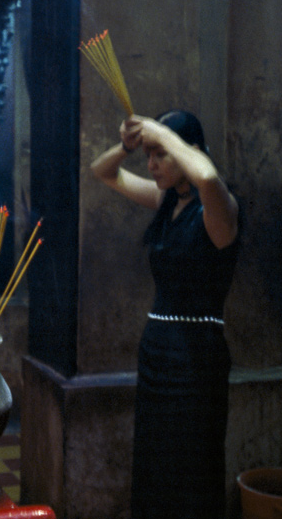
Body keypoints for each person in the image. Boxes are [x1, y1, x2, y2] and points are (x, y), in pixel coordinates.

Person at [91, 110, 241, 518]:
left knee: (192, 466)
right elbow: (102, 171)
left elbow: (207, 178)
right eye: (149, 156)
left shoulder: (220, 209)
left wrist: (160, 133)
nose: (152, 164)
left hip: (197, 360)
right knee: (155, 467)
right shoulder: (166, 202)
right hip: (157, 353)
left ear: (189, 151)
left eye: (161, 155)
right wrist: (127, 145)